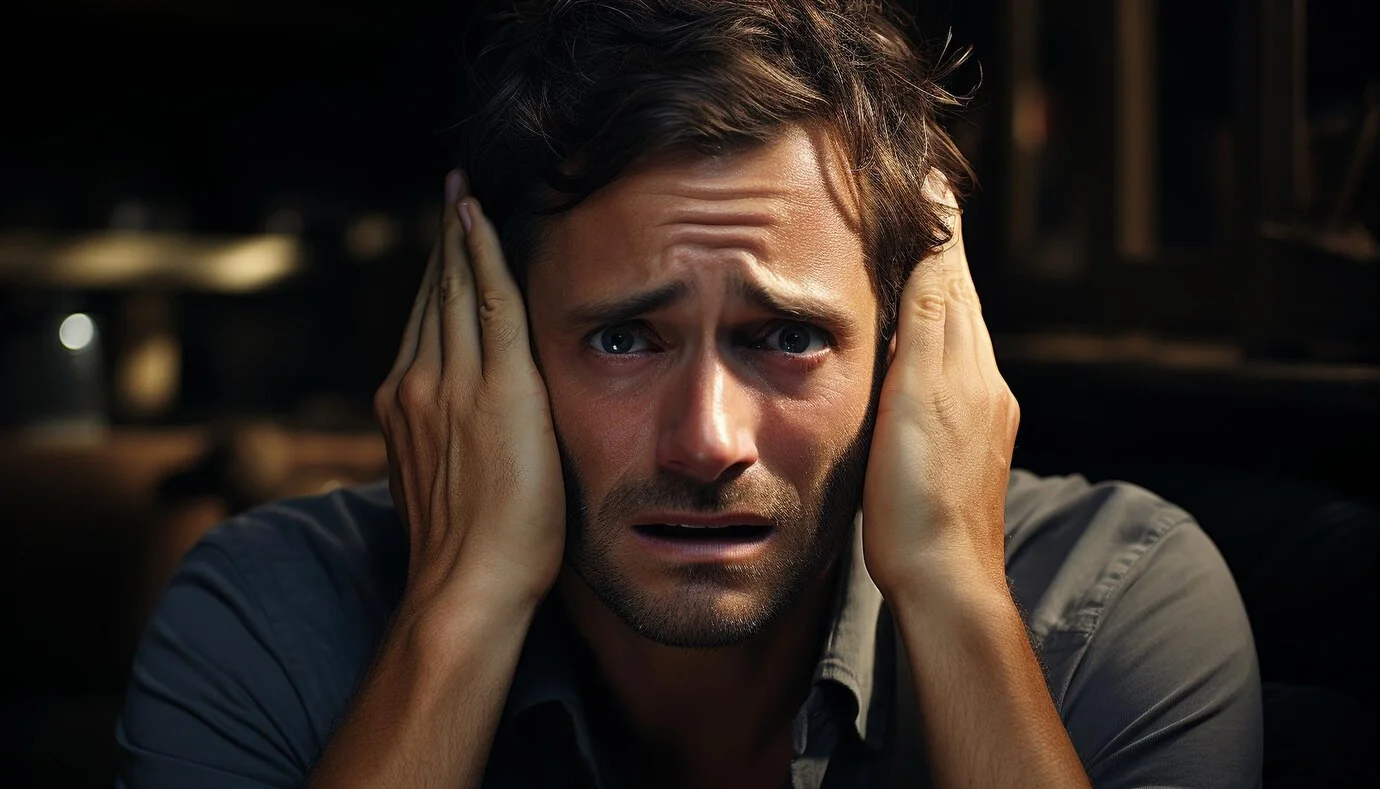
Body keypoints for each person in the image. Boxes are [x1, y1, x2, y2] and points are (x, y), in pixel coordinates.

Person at [115, 1, 1263, 786]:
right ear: (487, 349)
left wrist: (959, 597)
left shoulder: (1118, 609)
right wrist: (458, 610)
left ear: (910, 352)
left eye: (788, 337)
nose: (707, 441)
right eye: (624, 338)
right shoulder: (264, 619)